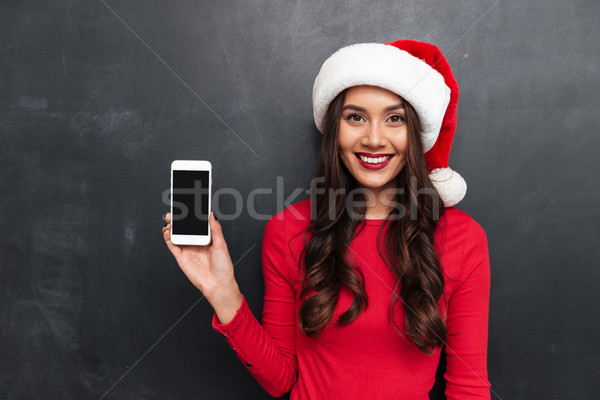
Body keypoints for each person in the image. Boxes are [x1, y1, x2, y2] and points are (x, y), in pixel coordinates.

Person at [162, 39, 491, 399]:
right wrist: (223, 292)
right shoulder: (289, 230)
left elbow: (468, 388)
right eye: (356, 117)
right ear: (334, 130)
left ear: (415, 132)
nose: (375, 138)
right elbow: (281, 380)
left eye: (394, 118)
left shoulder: (461, 238)